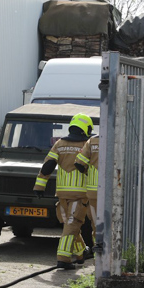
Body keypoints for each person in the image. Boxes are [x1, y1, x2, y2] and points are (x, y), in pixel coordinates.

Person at [34, 113, 92, 270]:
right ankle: (64, 257)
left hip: (62, 193)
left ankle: (80, 253)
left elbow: (48, 165)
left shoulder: (59, 144)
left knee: (70, 224)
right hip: (80, 194)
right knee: (73, 224)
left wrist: (40, 186)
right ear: (86, 128)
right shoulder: (87, 144)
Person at [74, 133, 99, 259]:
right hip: (115, 190)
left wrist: (88, 172)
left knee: (96, 224)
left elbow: (79, 163)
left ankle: (98, 258)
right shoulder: (121, 138)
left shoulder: (92, 141)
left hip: (94, 191)